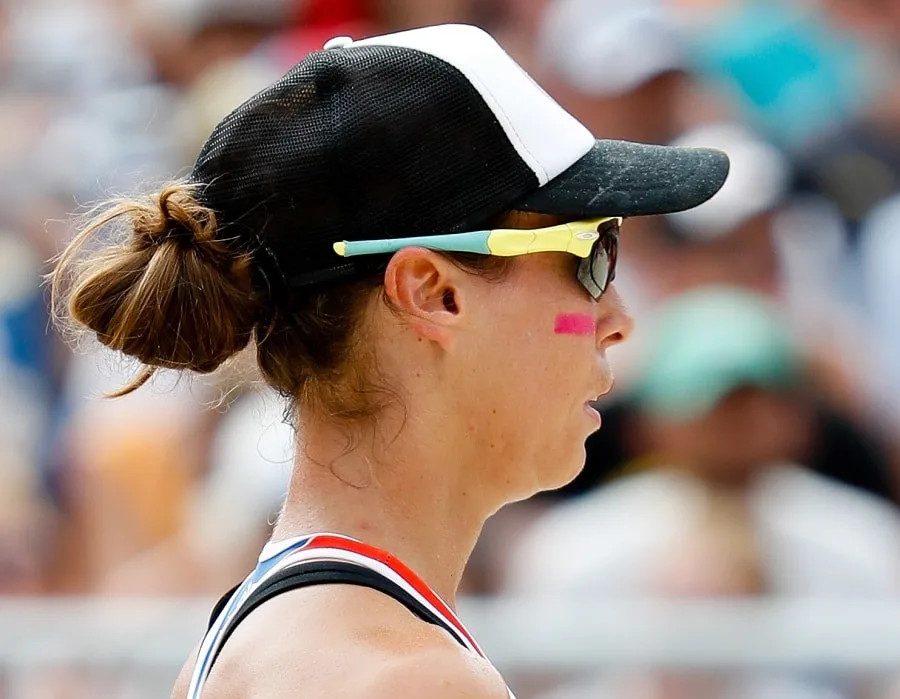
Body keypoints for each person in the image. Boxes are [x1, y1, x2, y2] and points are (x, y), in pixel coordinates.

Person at [50, 24, 728, 699]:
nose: (617, 318)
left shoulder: (287, 635)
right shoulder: (399, 672)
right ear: (434, 293)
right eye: (591, 253)